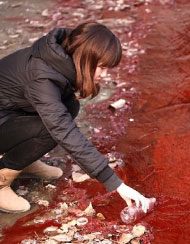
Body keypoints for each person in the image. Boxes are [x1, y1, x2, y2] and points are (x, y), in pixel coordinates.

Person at [0, 22, 152, 214]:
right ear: (85, 58)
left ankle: (22, 160)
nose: (104, 75)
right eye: (102, 68)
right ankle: (2, 176)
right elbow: (62, 129)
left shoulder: (61, 57)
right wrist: (114, 182)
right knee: (53, 127)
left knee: (69, 106)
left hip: (9, 112)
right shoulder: (42, 77)